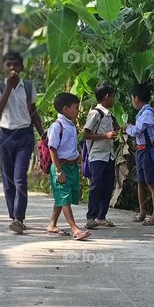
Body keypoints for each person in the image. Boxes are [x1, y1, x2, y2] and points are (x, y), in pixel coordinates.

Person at [0, 51, 45, 234]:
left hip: (24, 135)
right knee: (8, 180)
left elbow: (33, 112)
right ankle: (13, 214)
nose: (12, 67)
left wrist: (43, 134)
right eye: (9, 64)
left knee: (20, 178)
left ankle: (18, 218)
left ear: (22, 67)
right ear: (3, 68)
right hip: (5, 135)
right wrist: (9, 86)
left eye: (15, 64)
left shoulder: (28, 87)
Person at [47, 93, 91, 241]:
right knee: (64, 197)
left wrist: (77, 156)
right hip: (61, 166)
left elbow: (69, 147)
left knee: (63, 196)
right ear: (66, 109)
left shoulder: (71, 126)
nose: (78, 111)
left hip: (71, 167)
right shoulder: (57, 126)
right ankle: (75, 229)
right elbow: (52, 149)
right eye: (76, 108)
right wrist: (58, 171)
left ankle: (52, 224)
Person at [82, 83, 120, 229]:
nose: (114, 99)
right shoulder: (95, 113)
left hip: (109, 155)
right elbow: (86, 134)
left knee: (108, 186)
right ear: (106, 96)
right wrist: (105, 135)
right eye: (113, 96)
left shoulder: (110, 115)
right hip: (97, 155)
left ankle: (101, 216)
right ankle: (91, 217)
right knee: (96, 186)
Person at [124, 83, 154, 226]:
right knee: (141, 182)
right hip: (140, 150)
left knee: (152, 183)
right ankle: (142, 212)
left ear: (136, 98)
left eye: (132, 98)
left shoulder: (148, 113)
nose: (132, 101)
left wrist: (128, 128)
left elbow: (137, 130)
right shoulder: (142, 113)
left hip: (148, 151)